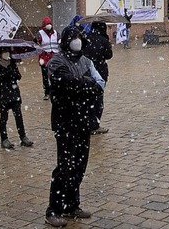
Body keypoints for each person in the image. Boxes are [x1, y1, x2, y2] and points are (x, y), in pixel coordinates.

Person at [45, 26, 105, 227]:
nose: (77, 41)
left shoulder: (85, 61)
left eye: (79, 37)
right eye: (74, 37)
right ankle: (54, 209)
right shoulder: (56, 62)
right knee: (65, 167)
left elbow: (99, 85)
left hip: (83, 121)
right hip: (65, 121)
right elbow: (67, 84)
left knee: (79, 165)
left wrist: (85, 85)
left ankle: (71, 205)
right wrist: (86, 85)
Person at [0, 48, 34, 149]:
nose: (6, 53)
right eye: (4, 51)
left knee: (18, 115)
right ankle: (4, 139)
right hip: (1, 93)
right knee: (4, 116)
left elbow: (18, 76)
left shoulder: (12, 62)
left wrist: (12, 72)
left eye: (8, 51)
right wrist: (5, 74)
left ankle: (23, 137)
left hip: (13, 91)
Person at [82, 21, 112, 135]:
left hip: (87, 71)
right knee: (98, 99)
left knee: (88, 98)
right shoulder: (103, 40)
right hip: (100, 71)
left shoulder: (86, 38)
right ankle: (94, 124)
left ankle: (86, 122)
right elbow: (109, 55)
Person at [34, 17, 60, 100]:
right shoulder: (40, 33)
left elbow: (59, 42)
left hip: (55, 57)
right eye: (47, 24)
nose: (49, 26)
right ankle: (47, 92)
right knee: (45, 76)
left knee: (55, 75)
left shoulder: (56, 33)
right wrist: (36, 41)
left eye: (50, 24)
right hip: (44, 57)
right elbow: (35, 43)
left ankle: (55, 91)